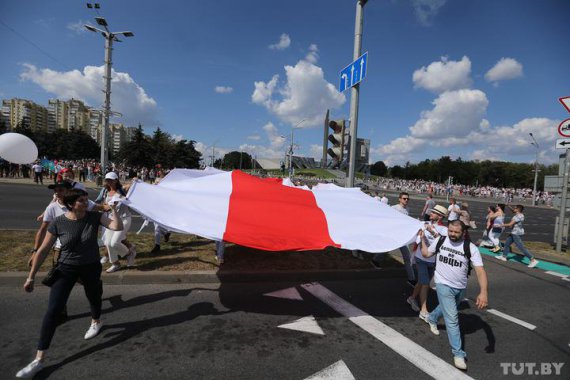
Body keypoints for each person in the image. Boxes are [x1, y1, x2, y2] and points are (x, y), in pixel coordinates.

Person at [16, 189, 123, 379]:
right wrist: (31, 276)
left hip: (90, 266)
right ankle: (38, 360)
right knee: (53, 310)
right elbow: (43, 250)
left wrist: (113, 209)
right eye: (82, 201)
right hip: (65, 268)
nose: (86, 202)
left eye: (86, 199)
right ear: (72, 204)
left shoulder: (94, 217)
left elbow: (117, 227)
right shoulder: (59, 222)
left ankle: (96, 321)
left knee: (94, 296)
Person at [420, 220, 488, 370]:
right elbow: (426, 254)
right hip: (442, 284)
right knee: (452, 319)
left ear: (463, 233)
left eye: (456, 232)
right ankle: (458, 353)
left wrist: (483, 292)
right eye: (450, 231)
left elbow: (480, 271)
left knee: (447, 309)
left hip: (460, 287)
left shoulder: (470, 248)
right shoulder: (441, 240)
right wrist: (422, 240)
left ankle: (431, 318)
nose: (452, 234)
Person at [407, 205, 448, 321]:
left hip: (433, 261)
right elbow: (417, 239)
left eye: (434, 213)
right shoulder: (423, 224)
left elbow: (444, 243)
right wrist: (421, 237)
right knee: (425, 284)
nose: (431, 214)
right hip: (421, 259)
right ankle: (424, 310)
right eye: (431, 212)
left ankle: (412, 298)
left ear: (440, 216)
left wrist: (433, 232)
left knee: (421, 282)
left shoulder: (443, 230)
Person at [96, 172, 135, 272]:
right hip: (112, 220)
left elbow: (133, 185)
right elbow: (104, 204)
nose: (108, 181)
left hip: (124, 218)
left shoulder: (123, 189)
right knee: (108, 243)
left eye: (111, 180)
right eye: (107, 180)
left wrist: (135, 180)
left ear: (116, 180)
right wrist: (104, 208)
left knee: (114, 243)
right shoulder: (105, 191)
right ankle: (116, 264)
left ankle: (129, 253)